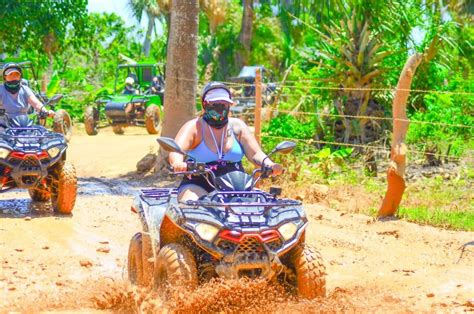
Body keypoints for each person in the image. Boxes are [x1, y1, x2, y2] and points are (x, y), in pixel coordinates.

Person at [169, 82, 283, 201]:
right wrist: (178, 163)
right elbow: (176, 150)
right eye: (214, 103)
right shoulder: (194, 127)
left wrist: (269, 164)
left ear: (229, 104)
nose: (219, 107)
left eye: (223, 103)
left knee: (263, 209)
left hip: (238, 187)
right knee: (192, 207)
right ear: (204, 104)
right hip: (199, 184)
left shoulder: (238, 127)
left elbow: (255, 153)